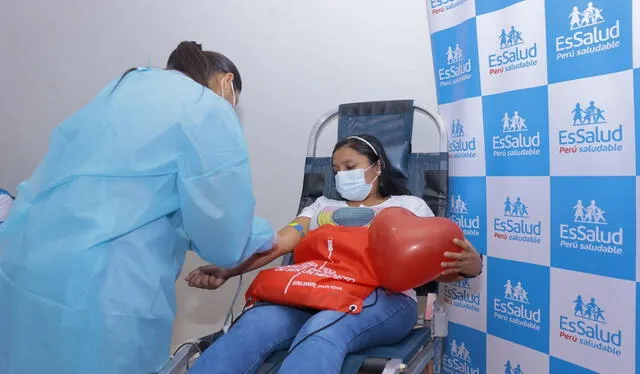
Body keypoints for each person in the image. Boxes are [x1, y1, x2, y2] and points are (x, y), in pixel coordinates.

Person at [0, 41, 277, 374]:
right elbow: (222, 230)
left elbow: (132, 197)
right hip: (103, 280)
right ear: (226, 82)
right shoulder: (206, 106)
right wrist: (264, 237)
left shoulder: (118, 91)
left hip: (26, 262)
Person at [185, 134, 483, 374]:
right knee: (252, 326)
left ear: (377, 167)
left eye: (351, 167)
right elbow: (277, 243)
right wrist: (228, 269)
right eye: (336, 170)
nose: (342, 175)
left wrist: (472, 266)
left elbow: (436, 258)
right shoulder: (319, 207)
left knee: (322, 330)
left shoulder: (409, 207)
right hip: (311, 292)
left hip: (381, 297)